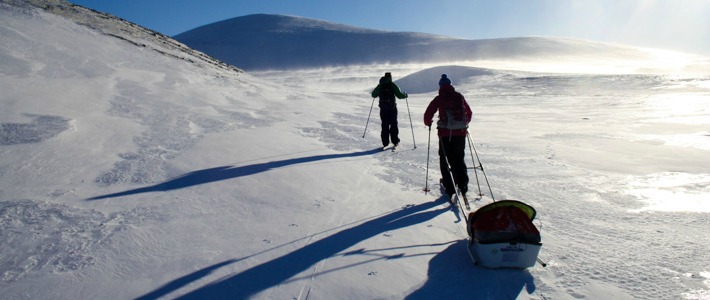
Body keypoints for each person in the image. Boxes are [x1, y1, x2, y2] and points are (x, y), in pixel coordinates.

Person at [423, 74, 472, 200]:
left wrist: (428, 123)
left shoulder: (439, 99)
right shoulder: (459, 96)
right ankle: (462, 185)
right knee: (459, 159)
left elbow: (428, 115)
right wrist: (464, 124)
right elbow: (469, 112)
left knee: (445, 160)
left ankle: (449, 187)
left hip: (445, 134)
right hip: (460, 133)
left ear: (440, 86)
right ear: (450, 85)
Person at [371, 72, 408, 148]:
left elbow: (373, 94)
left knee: (385, 124)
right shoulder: (392, 85)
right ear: (390, 77)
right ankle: (395, 141)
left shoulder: (380, 85)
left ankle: (385, 142)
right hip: (392, 108)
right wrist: (405, 95)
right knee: (393, 124)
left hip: (383, 109)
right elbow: (399, 95)